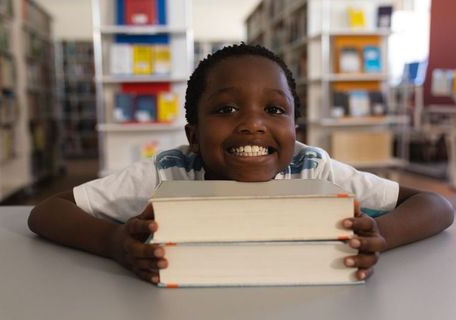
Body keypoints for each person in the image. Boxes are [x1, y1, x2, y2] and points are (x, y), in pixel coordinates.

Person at [28, 43, 454, 285]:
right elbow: (46, 212)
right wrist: (116, 243)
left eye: (274, 110)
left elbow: (437, 206)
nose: (253, 125)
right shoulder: (168, 172)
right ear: (193, 135)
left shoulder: (313, 167)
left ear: (294, 126)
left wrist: (380, 233)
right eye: (227, 109)